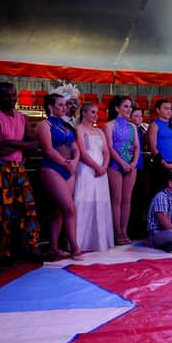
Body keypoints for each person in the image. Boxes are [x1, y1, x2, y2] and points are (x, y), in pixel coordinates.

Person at [0, 82, 41, 263]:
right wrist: (21, 143)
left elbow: (33, 145)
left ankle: (32, 248)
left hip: (19, 166)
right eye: (6, 95)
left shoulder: (23, 118)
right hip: (1, 168)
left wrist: (11, 142)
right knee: (3, 213)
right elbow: (0, 148)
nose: (11, 99)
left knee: (29, 209)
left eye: (13, 95)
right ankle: (3, 253)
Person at [35, 94, 83, 260]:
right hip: (52, 168)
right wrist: (65, 162)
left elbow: (75, 147)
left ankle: (54, 247)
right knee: (69, 208)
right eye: (61, 105)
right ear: (50, 106)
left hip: (68, 168)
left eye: (65, 105)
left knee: (59, 210)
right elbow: (47, 149)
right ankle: (75, 248)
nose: (64, 108)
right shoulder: (44, 125)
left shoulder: (66, 125)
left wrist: (75, 161)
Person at [74, 103, 113, 252]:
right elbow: (82, 153)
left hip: (101, 170)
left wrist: (104, 167)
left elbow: (106, 152)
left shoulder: (99, 131)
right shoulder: (79, 129)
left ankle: (99, 240)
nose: (95, 115)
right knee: (84, 200)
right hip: (86, 169)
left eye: (97, 113)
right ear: (83, 113)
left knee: (100, 201)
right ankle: (80, 241)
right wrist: (97, 167)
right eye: (92, 112)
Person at [104, 96, 139, 245]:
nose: (129, 109)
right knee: (116, 200)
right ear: (117, 108)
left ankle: (125, 230)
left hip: (131, 165)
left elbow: (137, 147)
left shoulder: (133, 127)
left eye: (130, 106)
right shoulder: (109, 125)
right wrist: (122, 163)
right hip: (115, 165)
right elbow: (109, 147)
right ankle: (117, 231)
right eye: (125, 106)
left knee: (127, 200)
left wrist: (133, 163)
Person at [148, 99, 172, 194]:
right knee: (159, 193)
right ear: (158, 110)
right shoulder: (154, 125)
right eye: (166, 108)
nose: (169, 111)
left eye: (170, 109)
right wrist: (164, 164)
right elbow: (153, 148)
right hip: (160, 164)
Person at [129, 105, 149, 238]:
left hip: (142, 163)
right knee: (133, 197)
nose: (139, 118)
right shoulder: (129, 129)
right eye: (136, 116)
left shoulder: (142, 128)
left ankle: (140, 224)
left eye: (141, 116)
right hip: (131, 163)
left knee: (141, 196)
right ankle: (132, 227)